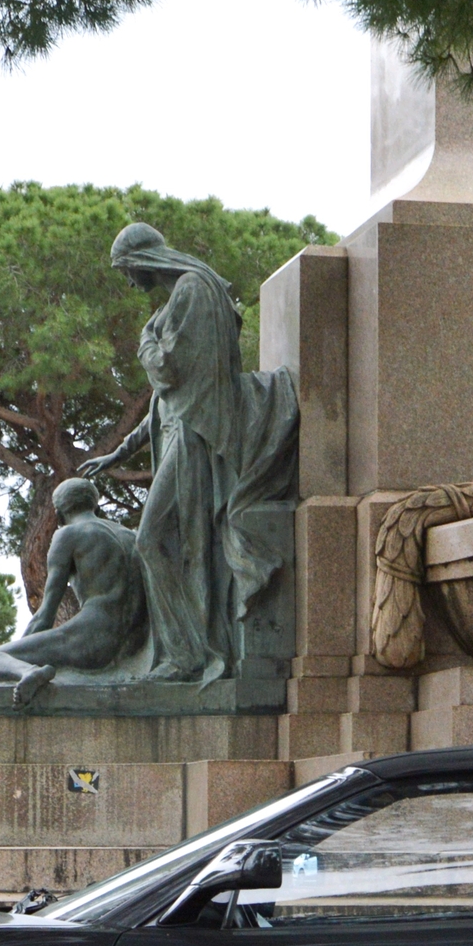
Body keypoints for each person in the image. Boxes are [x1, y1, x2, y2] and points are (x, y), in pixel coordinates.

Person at [77, 223, 297, 683]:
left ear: (141, 259)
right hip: (185, 430)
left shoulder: (193, 289)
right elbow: (166, 404)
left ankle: (186, 655)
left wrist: (145, 342)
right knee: (166, 544)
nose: (127, 281)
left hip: (198, 440)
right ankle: (184, 651)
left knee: (153, 540)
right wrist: (118, 453)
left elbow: (170, 371)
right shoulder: (183, 294)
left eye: (125, 270)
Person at [0, 479, 147, 705]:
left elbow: (45, 615)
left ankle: (28, 671)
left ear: (58, 516)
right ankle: (27, 669)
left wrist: (19, 651)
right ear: (96, 508)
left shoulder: (68, 534)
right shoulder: (133, 537)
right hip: (133, 643)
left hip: (89, 639)